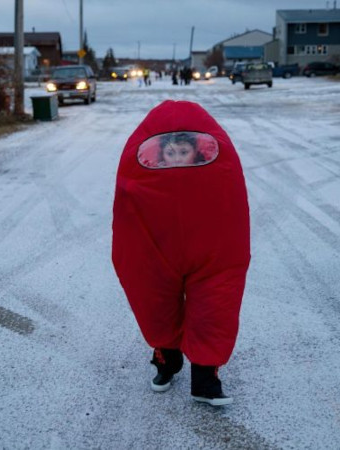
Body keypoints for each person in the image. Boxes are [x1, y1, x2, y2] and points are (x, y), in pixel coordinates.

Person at [112, 100, 250, 406]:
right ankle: (167, 360)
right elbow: (128, 202)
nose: (177, 158)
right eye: (170, 153)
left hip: (210, 250)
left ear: (197, 151)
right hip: (157, 249)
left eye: (183, 152)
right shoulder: (146, 177)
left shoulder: (216, 171)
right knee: (155, 303)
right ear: (159, 153)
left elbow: (231, 203)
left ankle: (205, 377)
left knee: (215, 306)